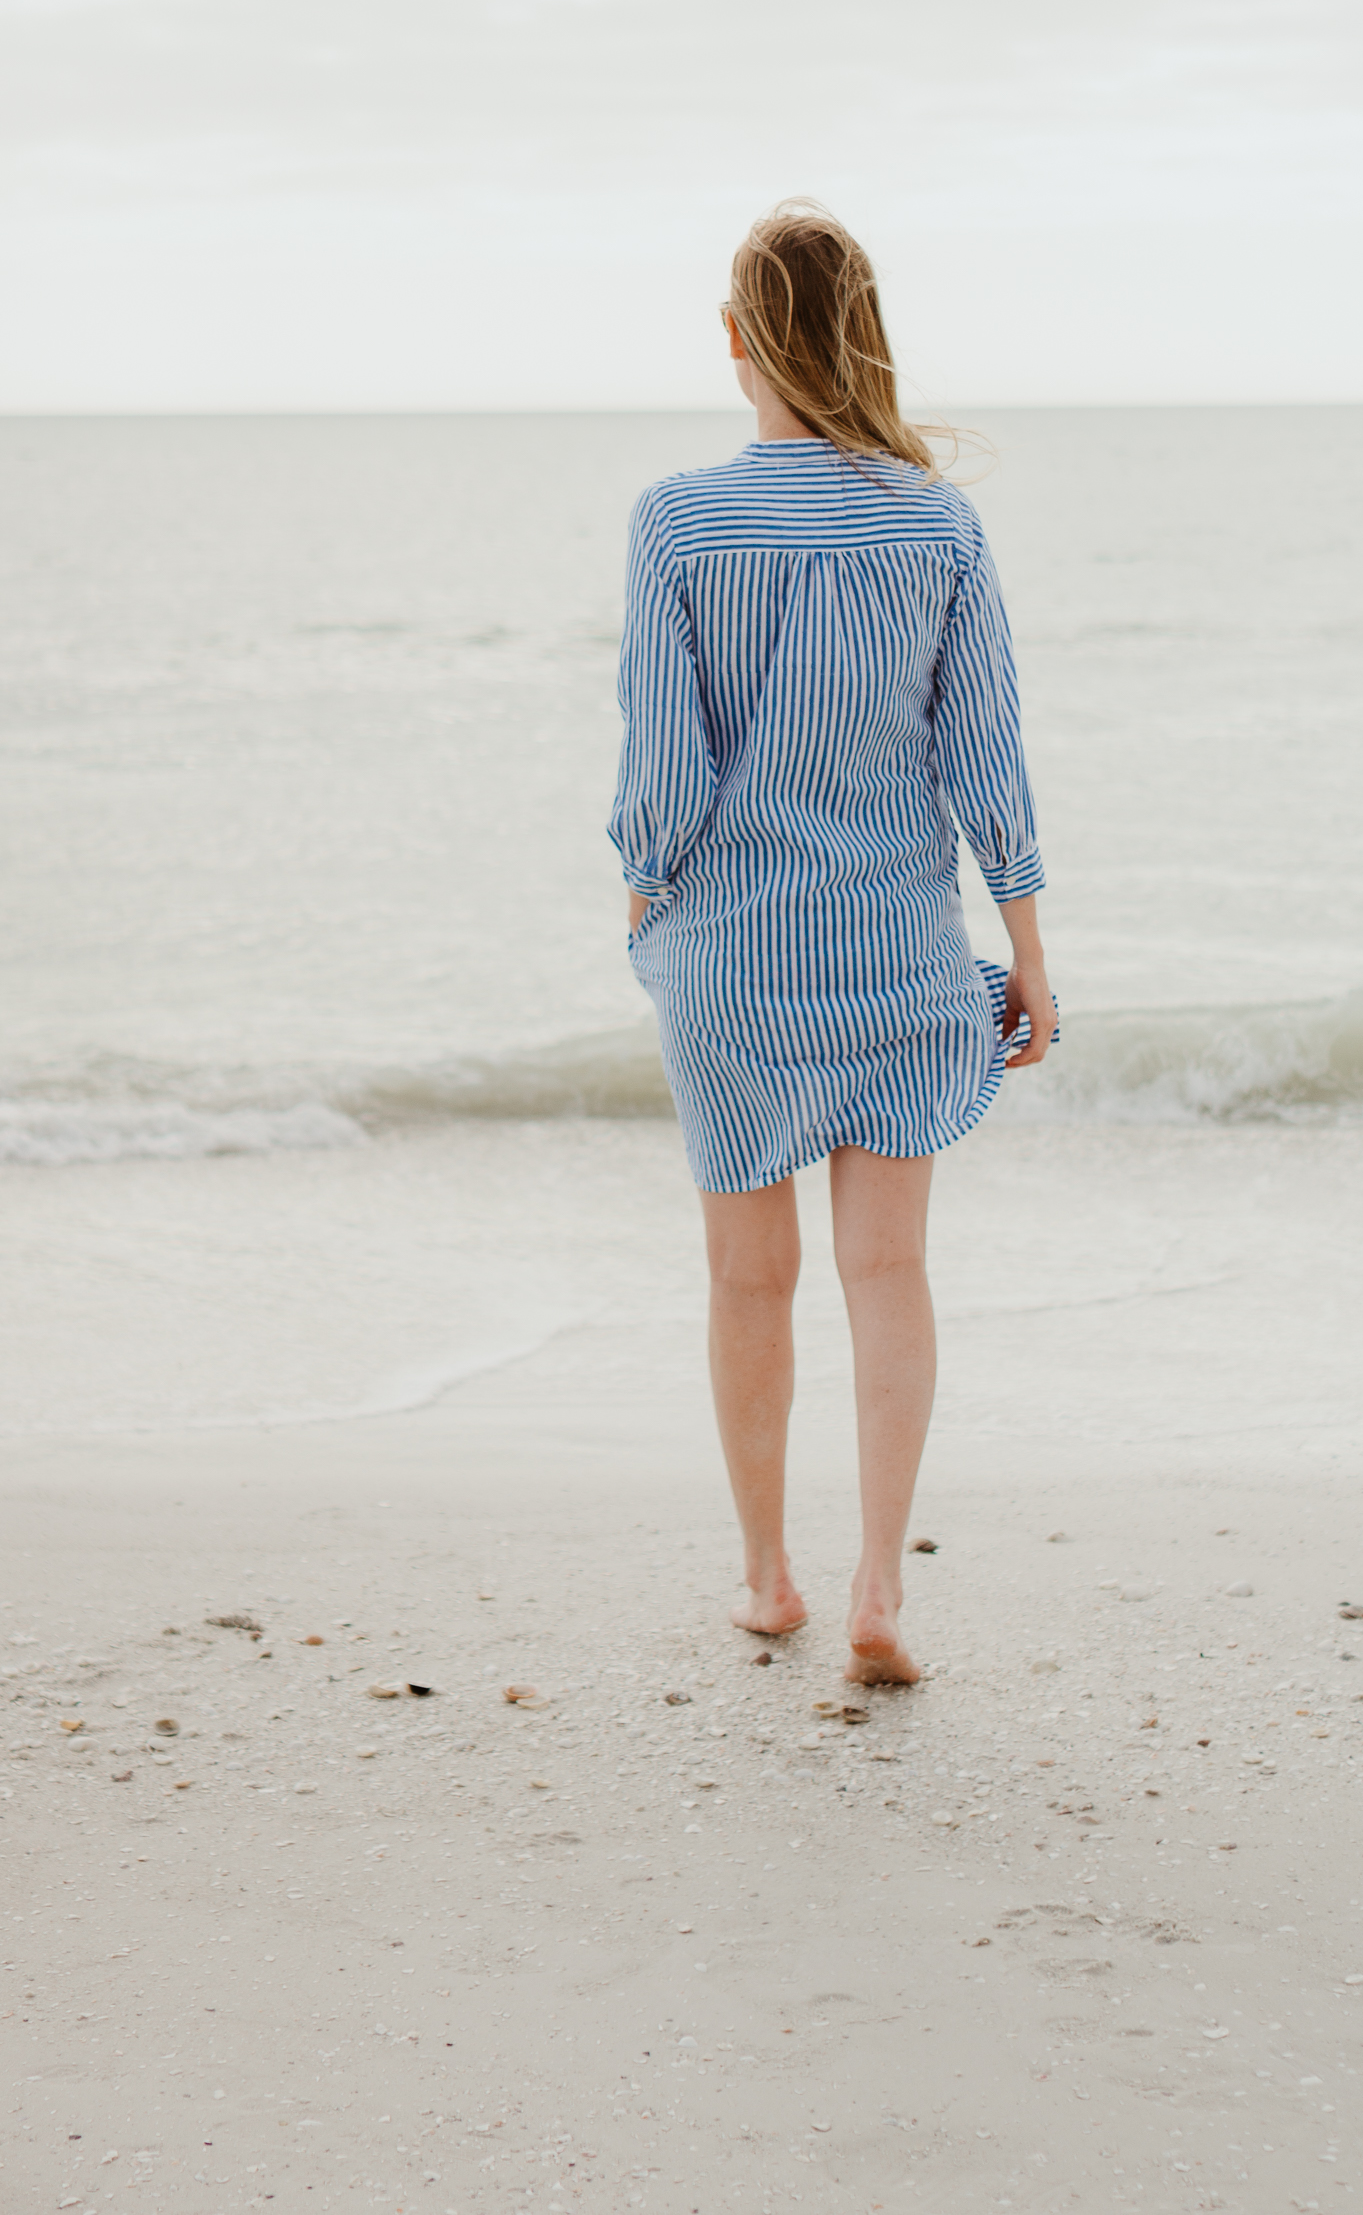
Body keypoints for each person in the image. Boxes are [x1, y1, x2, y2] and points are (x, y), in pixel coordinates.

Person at [610, 202, 1056, 1684]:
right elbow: (986, 751)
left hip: (733, 954)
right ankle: (880, 1583)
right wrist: (1028, 944)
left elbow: (661, 764)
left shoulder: (678, 520)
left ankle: (766, 1577)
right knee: (889, 1272)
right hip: (898, 952)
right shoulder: (936, 521)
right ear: (864, 331)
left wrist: (643, 885)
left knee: (750, 1278)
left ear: (737, 339)